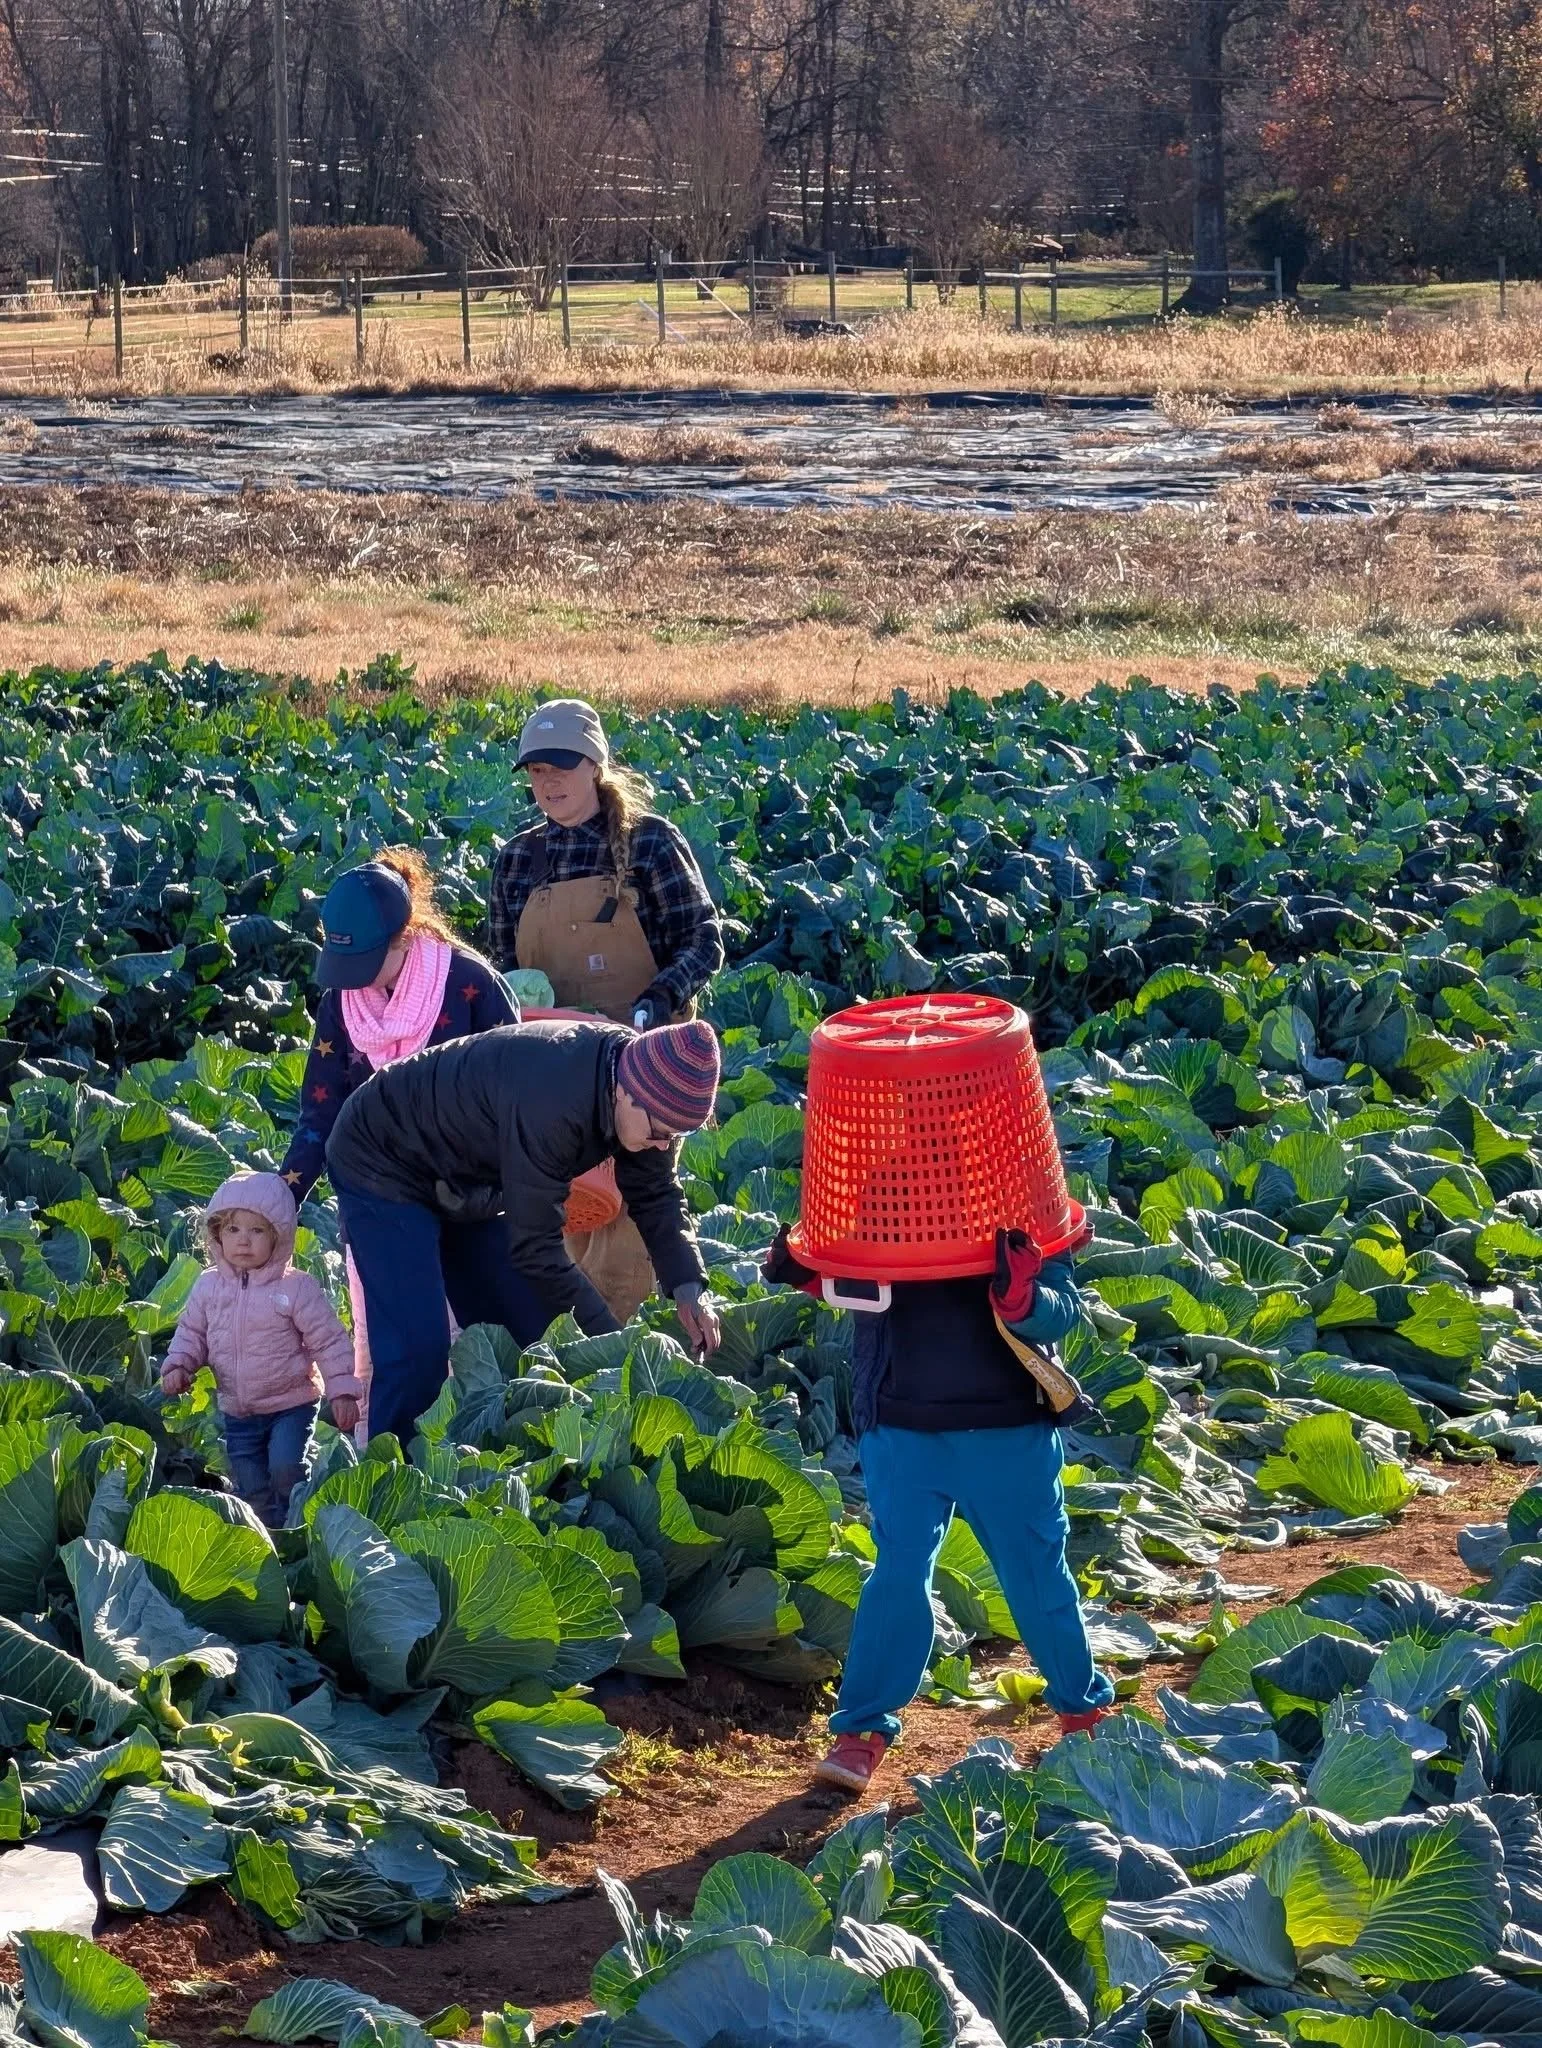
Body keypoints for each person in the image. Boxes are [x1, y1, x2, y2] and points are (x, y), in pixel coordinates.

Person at [767, 1225, 1115, 1796]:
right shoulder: (882, 1199)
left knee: (1035, 1577)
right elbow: (854, 1290)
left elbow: (1061, 1312)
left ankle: (1083, 1712)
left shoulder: (1022, 1205)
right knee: (898, 1575)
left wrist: (1021, 1296)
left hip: (1009, 1436)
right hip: (903, 1432)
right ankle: (861, 1731)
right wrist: (805, 1270)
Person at [325, 1015, 724, 1446]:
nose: (663, 1144)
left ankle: (518, 1455)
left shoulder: (644, 1088)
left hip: (467, 1176)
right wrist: (613, 1341)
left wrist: (688, 1286)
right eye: (659, 1132)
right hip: (382, 1156)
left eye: (676, 1136)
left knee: (534, 1327)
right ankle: (393, 1483)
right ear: (625, 1092)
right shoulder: (555, 1098)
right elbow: (536, 1249)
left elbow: (657, 1191)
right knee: (417, 1350)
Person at [488, 699, 724, 1322]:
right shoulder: (516, 859)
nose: (548, 783)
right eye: (536, 771)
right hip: (556, 1071)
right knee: (562, 1211)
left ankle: (608, 1351)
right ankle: (561, 1349)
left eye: (561, 767)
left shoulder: (648, 844)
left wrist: (659, 998)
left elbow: (704, 940)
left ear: (595, 764)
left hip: (644, 1069)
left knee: (632, 1219)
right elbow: (498, 970)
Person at [279, 849, 518, 1437]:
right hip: (381, 1194)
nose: (353, 975)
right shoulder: (343, 999)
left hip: (472, 1195)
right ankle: (395, 1468)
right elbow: (321, 1106)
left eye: (365, 959)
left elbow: (520, 1093)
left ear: (403, 934)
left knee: (486, 1337)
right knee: (405, 1346)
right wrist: (285, 1195)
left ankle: (486, 1456)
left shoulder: (468, 985)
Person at [160, 1171, 362, 1527]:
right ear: (216, 1234)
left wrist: (343, 1391)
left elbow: (328, 1339)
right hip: (239, 1411)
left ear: (278, 1237)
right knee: (250, 1485)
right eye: (233, 1230)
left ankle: (301, 1525)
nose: (243, 1241)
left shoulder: (296, 1288)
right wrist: (178, 1365)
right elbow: (192, 1332)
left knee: (286, 1470)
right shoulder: (208, 1288)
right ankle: (274, 1544)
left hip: (291, 1404)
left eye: (257, 1231)